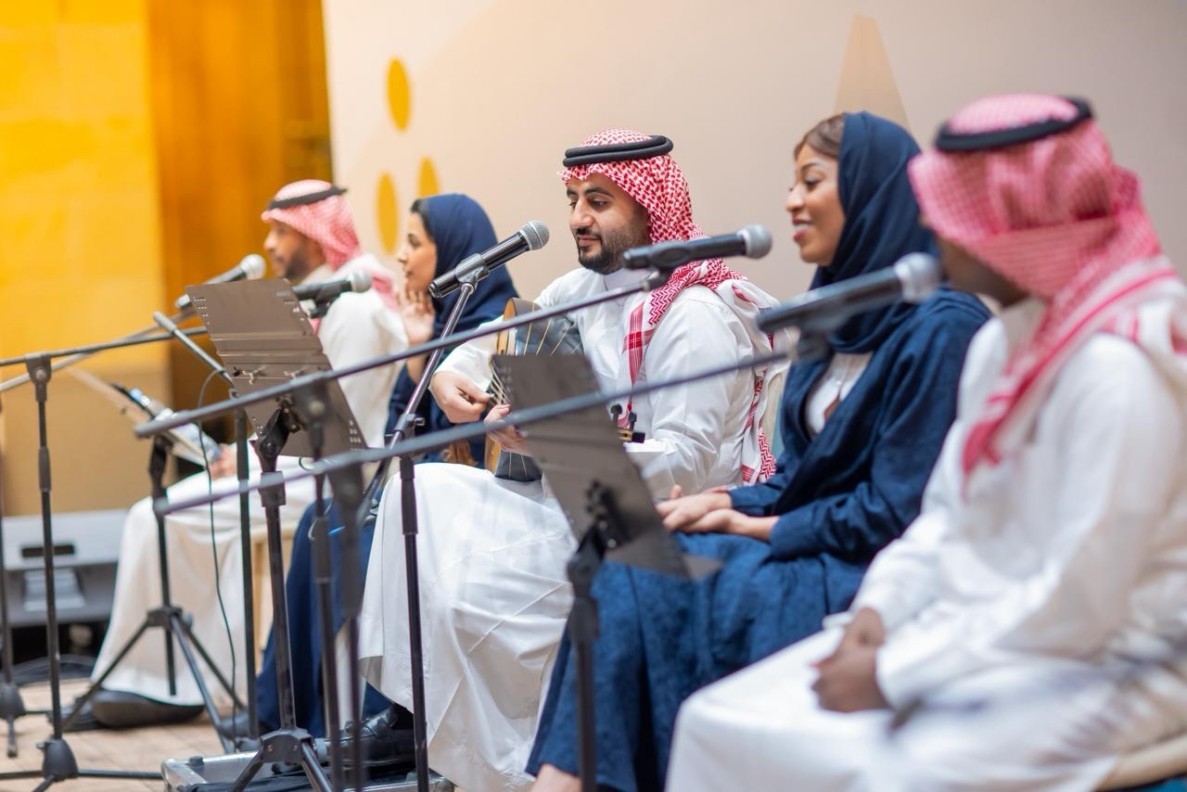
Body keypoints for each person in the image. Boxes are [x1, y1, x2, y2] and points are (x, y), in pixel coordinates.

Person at [666, 94, 1187, 792]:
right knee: (719, 719)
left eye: (951, 208)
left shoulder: (1115, 367)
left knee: (882, 769)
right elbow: (945, 516)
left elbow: (1077, 601)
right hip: (981, 631)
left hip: (1115, 658)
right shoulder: (1003, 344)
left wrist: (895, 671)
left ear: (1008, 224)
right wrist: (878, 611)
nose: (930, 224)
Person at [527, 113, 990, 791]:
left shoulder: (942, 328)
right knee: (623, 550)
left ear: (872, 191)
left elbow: (898, 512)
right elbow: (798, 479)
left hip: (866, 571)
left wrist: (750, 524)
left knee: (638, 574)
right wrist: (722, 502)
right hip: (805, 541)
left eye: (811, 182)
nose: (790, 201)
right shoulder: (830, 317)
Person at [355, 129, 790, 791]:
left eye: (598, 201)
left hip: (651, 524)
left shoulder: (692, 315)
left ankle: (525, 763)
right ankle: (442, 731)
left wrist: (555, 439)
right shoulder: (581, 290)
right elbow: (489, 343)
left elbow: (686, 465)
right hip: (570, 500)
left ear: (648, 207)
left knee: (466, 590)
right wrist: (448, 375)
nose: (577, 218)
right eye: (572, 200)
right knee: (417, 493)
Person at [83, 180, 407, 728]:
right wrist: (245, 451)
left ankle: (175, 684)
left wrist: (252, 457)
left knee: (158, 515)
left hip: (346, 477)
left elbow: (337, 425)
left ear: (315, 233)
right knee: (162, 514)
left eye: (282, 231)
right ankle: (174, 681)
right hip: (301, 465)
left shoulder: (354, 307)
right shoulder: (321, 300)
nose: (271, 245)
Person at [253, 193, 519, 741]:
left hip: (467, 498)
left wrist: (423, 360)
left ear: (455, 253)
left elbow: (467, 443)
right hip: (415, 484)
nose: (400, 255)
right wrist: (419, 358)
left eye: (415, 243)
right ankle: (290, 716)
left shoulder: (495, 326)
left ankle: (388, 724)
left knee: (360, 536)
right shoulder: (435, 322)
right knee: (319, 523)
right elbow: (403, 422)